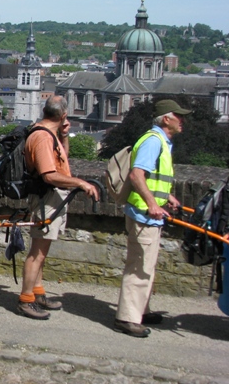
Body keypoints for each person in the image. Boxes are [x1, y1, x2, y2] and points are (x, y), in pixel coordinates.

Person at [17, 96, 99, 320]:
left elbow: (61, 160)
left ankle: (37, 292)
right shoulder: (42, 137)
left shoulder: (49, 133)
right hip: (47, 199)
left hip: (51, 198)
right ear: (63, 115)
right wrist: (81, 183)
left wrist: (64, 136)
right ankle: (26, 299)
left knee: (41, 251)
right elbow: (50, 175)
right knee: (37, 253)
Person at [114, 99, 191, 337]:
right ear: (166, 118)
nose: (183, 120)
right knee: (139, 267)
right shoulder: (153, 141)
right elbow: (137, 175)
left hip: (150, 214)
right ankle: (127, 318)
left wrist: (166, 196)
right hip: (144, 214)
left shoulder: (161, 142)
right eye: (179, 116)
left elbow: (150, 176)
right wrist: (151, 204)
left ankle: (141, 310)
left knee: (147, 265)